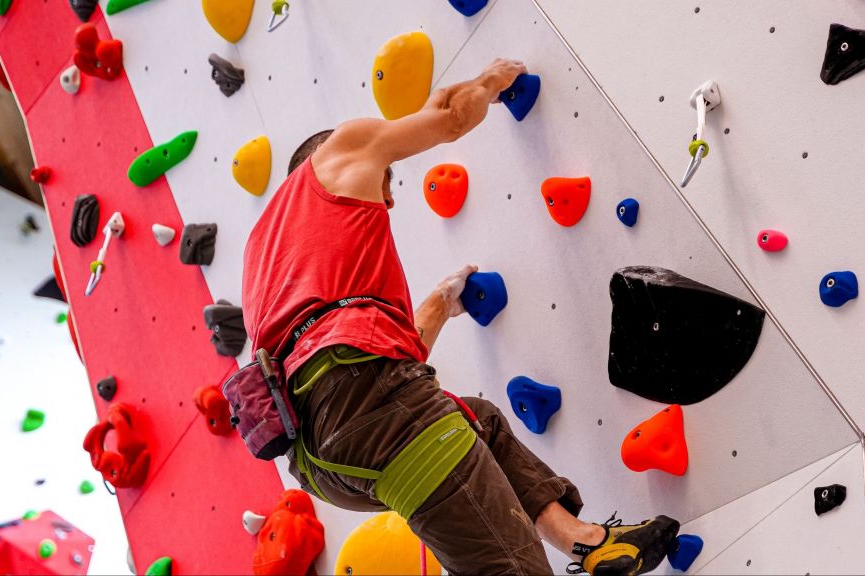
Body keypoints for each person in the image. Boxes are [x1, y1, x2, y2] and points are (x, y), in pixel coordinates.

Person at [242, 58, 679, 576]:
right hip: (369, 409)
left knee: (480, 422)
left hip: (321, 463)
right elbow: (450, 121)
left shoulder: (263, 253)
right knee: (511, 569)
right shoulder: (341, 149)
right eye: (389, 179)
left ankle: (588, 542)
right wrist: (494, 81)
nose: (387, 198)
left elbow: (357, 370)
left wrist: (442, 306)